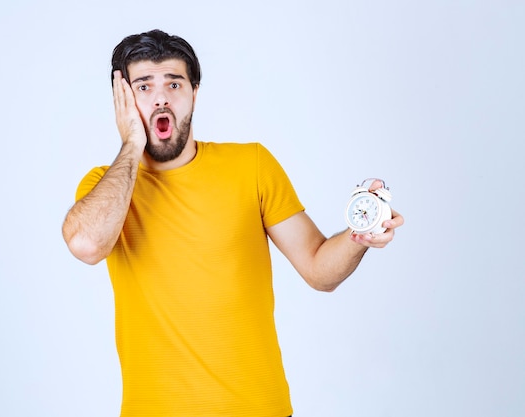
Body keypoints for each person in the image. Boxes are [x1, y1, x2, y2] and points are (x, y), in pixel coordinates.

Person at [62, 29, 404, 417]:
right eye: (143, 86)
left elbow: (319, 270)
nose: (160, 97)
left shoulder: (252, 166)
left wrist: (360, 236)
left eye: (174, 83)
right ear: (121, 100)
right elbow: (87, 244)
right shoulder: (104, 188)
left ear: (194, 93)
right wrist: (130, 145)